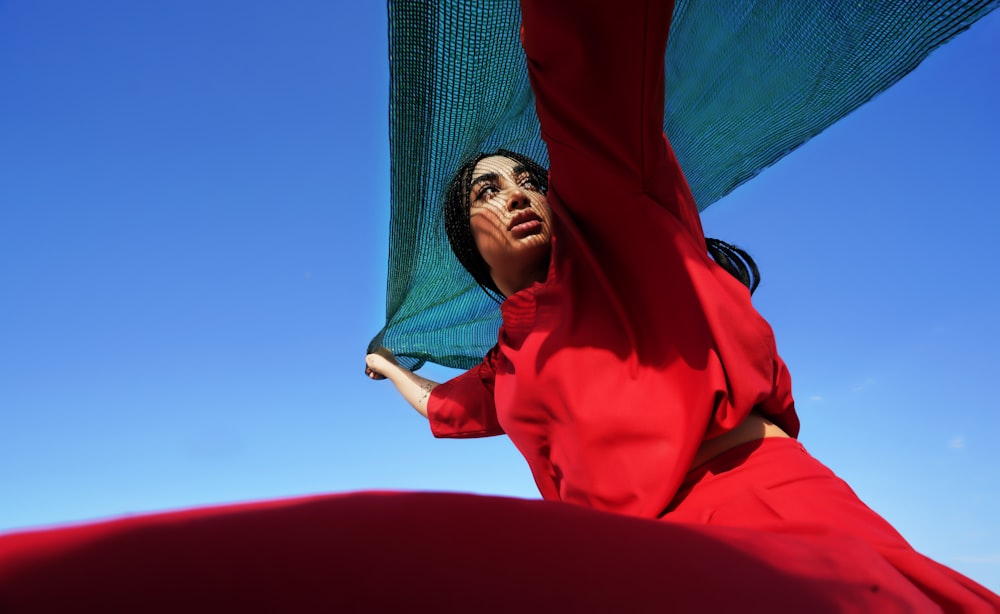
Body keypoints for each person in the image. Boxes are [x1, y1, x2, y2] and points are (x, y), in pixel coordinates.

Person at [365, 0, 1000, 610]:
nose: (518, 195)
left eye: (532, 181)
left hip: (763, 514)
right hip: (623, 570)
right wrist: (389, 366)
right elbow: (441, 408)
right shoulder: (504, 364)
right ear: (465, 239)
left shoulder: (611, 223)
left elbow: (586, 45)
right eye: (489, 190)